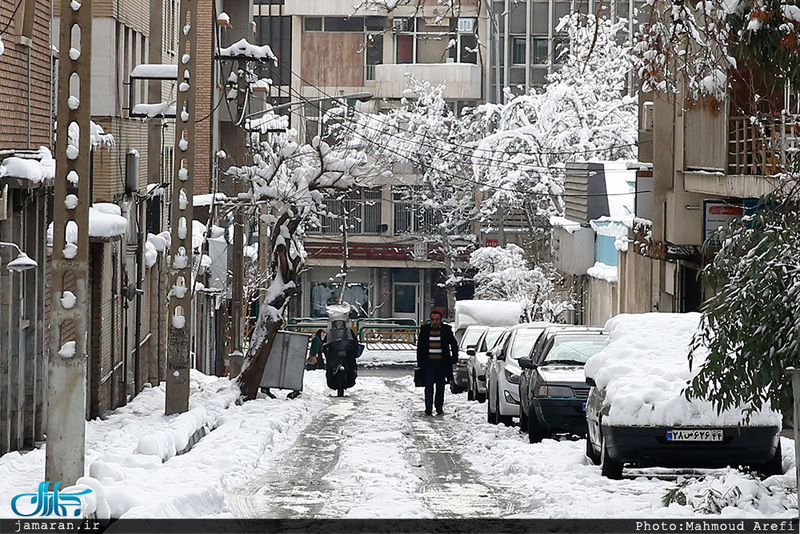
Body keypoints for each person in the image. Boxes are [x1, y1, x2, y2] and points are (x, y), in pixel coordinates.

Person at [416, 310, 458, 416]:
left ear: (441, 320)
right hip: (429, 363)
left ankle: (439, 407)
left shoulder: (446, 330)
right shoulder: (425, 330)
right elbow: (420, 348)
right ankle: (428, 408)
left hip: (442, 363)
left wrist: (454, 358)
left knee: (440, 386)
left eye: (437, 320)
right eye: (433, 320)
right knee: (428, 386)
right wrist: (420, 363)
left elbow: (453, 344)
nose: (435, 322)